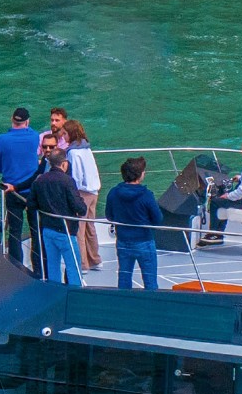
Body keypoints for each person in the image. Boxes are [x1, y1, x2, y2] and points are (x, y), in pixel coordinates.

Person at [28, 151, 89, 285]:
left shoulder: (40, 180)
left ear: (49, 163)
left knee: (52, 266)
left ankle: (55, 294)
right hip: (66, 231)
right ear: (64, 163)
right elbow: (79, 206)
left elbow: (31, 204)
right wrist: (82, 207)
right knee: (73, 267)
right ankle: (75, 295)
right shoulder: (67, 181)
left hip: (47, 229)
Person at [105, 156, 166, 290]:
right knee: (150, 280)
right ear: (140, 175)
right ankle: (152, 305)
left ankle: (124, 304)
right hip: (144, 240)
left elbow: (109, 216)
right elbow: (158, 219)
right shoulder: (146, 195)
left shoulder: (113, 193)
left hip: (122, 241)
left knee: (124, 277)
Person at [0, 108, 43, 271]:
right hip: (32, 190)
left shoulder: (1, 140)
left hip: (11, 190)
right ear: (27, 121)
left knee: (14, 231)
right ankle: (38, 267)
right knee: (35, 230)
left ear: (12, 120)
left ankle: (16, 268)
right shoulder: (34, 136)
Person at [64, 120, 104, 271]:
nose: (64, 137)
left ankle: (82, 264)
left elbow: (76, 176)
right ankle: (95, 259)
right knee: (90, 226)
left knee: (79, 228)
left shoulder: (73, 153)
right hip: (94, 191)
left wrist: (73, 192)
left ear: (71, 134)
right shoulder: (86, 147)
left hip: (82, 193)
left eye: (66, 134)